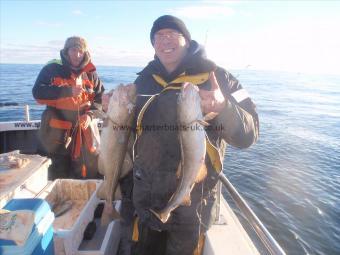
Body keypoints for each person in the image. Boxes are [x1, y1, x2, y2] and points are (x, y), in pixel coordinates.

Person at [32, 36, 104, 180]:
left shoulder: (91, 73)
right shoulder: (52, 68)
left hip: (84, 134)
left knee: (87, 174)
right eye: (73, 50)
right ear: (66, 51)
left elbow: (99, 100)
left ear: (85, 52)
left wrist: (90, 115)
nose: (77, 55)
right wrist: (67, 91)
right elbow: (38, 93)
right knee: (55, 176)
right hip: (54, 135)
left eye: (80, 51)